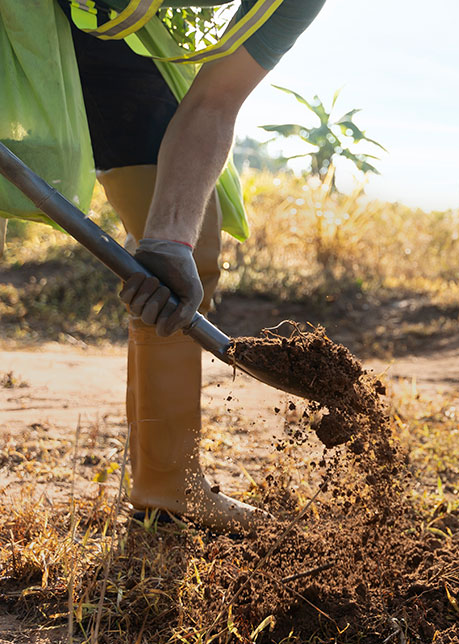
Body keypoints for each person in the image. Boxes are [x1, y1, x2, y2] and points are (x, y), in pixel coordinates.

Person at [61, 0, 326, 534]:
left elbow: (214, 99)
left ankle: (167, 486)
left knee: (193, 241)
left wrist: (166, 240)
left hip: (111, 35)